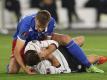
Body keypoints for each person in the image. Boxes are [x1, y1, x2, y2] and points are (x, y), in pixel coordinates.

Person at [7, 10, 103, 75]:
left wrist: (47, 52)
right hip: (24, 42)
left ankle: (88, 65)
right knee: (13, 70)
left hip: (41, 41)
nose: (40, 29)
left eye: (43, 27)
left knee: (66, 39)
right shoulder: (26, 25)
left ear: (48, 22)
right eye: (39, 26)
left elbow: (47, 41)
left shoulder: (51, 22)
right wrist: (25, 69)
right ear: (36, 19)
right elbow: (17, 50)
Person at [24, 40, 107, 74]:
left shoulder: (31, 45)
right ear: (39, 61)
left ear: (34, 51)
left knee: (81, 39)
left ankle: (81, 56)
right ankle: (93, 63)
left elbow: (54, 42)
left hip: (60, 50)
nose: (42, 56)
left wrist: (47, 51)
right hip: (68, 64)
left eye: (39, 54)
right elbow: (60, 69)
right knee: (95, 58)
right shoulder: (43, 69)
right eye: (41, 58)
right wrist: (51, 57)